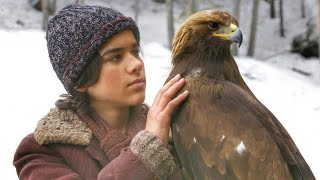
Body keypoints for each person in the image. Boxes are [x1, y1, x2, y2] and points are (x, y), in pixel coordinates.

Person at [13, 4, 189, 180]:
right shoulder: (41, 152)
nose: (137, 64)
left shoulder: (176, 130)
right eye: (115, 57)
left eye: (135, 51)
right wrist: (148, 149)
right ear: (80, 81)